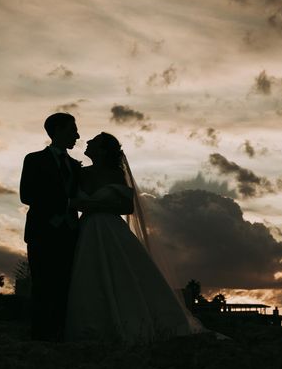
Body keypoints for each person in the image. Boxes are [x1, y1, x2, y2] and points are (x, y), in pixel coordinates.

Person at [64, 132, 204, 342]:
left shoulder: (116, 175)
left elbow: (127, 207)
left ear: (102, 150)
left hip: (111, 227)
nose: (88, 142)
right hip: (88, 229)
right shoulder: (81, 173)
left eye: (94, 141)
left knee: (123, 274)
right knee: (89, 274)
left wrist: (90, 205)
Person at [20, 112, 81, 341]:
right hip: (42, 231)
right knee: (42, 283)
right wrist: (65, 202)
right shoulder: (33, 159)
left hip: (70, 233)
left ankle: (60, 332)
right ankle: (39, 334)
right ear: (56, 131)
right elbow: (26, 195)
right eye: (72, 130)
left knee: (66, 284)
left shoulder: (76, 166)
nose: (77, 135)